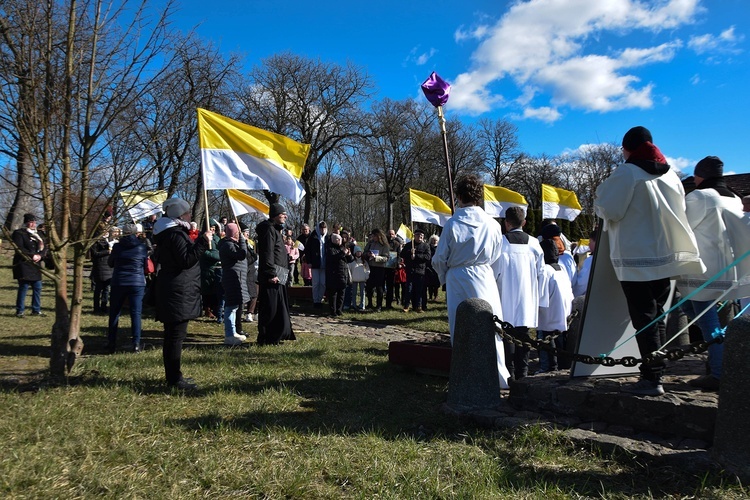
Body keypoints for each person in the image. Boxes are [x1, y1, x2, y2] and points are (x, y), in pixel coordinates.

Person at [594, 126, 704, 396]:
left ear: (627, 149)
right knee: (657, 316)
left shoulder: (627, 173)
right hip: (664, 255)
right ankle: (657, 372)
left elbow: (611, 209)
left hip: (635, 257)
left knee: (643, 318)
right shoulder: (672, 177)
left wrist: (599, 200)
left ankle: (652, 378)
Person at [676, 156, 750, 391]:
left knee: (707, 322)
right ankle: (722, 360)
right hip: (729, 268)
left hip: (704, 269)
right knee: (706, 315)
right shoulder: (734, 198)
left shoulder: (699, 196)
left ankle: (718, 373)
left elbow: (683, 227)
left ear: (700, 176)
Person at [432, 174, 510, 388]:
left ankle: (465, 376)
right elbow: (497, 256)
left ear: (458, 196)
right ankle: (498, 375)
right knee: (490, 326)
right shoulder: (493, 224)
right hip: (485, 277)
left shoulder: (452, 224)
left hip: (458, 277)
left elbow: (440, 258)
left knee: (461, 327)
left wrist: (444, 276)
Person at [152, 197, 211, 391]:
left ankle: (174, 375)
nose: (190, 216)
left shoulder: (171, 233)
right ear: (179, 215)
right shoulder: (175, 235)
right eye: (186, 213)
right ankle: (174, 379)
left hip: (177, 290)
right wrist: (203, 242)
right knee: (175, 337)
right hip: (177, 291)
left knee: (174, 336)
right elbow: (186, 260)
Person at [497, 206, 546, 381]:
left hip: (505, 297)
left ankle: (509, 373)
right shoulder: (534, 243)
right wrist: (541, 299)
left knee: (507, 337)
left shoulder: (500, 242)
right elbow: (542, 273)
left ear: (506, 223)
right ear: (524, 222)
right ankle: (522, 373)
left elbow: (494, 272)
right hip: (527, 297)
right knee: (523, 336)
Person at [256, 203, 295, 345]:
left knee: (278, 307)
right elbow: (267, 253)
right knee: (270, 308)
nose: (285, 216)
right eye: (282, 213)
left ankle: (276, 336)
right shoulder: (268, 229)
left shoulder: (275, 229)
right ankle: (267, 337)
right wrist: (271, 273)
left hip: (280, 273)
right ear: (275, 215)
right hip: (272, 275)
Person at [107, 223, 149, 353]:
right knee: (135, 313)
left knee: (114, 313)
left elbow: (110, 263)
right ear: (136, 233)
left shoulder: (117, 247)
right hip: (137, 282)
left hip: (119, 281)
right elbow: (145, 264)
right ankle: (136, 343)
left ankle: (111, 343)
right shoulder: (141, 247)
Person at [536, 239, 574, 373]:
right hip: (564, 309)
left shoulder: (545, 270)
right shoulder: (561, 269)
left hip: (550, 311)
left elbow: (540, 293)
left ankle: (550, 367)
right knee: (559, 338)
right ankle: (561, 364)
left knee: (546, 337)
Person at [218, 222, 250, 346]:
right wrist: (242, 241)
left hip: (237, 278)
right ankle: (229, 335)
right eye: (238, 232)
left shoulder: (232, 244)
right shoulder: (228, 245)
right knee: (230, 308)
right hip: (231, 279)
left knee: (234, 307)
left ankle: (233, 332)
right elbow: (241, 255)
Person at [12, 213, 47, 317]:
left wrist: (40, 255)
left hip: (36, 265)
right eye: (31, 222)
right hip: (24, 264)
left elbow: (45, 247)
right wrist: (32, 255)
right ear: (26, 223)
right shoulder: (19, 233)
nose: (33, 224)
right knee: (24, 287)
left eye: (34, 222)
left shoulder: (38, 235)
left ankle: (36, 309)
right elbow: (19, 248)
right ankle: (20, 310)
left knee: (37, 287)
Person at [401, 228, 431, 312]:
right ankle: (406, 305)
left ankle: (418, 306)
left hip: (420, 271)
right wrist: (409, 252)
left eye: (421, 235)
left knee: (419, 289)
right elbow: (402, 254)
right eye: (418, 235)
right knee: (409, 289)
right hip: (410, 270)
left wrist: (416, 256)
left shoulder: (426, 246)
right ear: (414, 236)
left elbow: (428, 257)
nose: (420, 237)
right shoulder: (409, 245)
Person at [325, 233, 353, 316]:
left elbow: (350, 260)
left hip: (343, 273)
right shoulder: (330, 248)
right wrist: (342, 253)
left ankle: (339, 310)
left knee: (342, 293)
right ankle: (333, 311)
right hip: (333, 274)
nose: (340, 240)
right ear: (333, 240)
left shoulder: (343, 247)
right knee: (333, 294)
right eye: (338, 239)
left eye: (340, 239)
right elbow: (332, 258)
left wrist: (349, 255)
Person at [363, 228, 390, 311]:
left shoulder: (385, 245)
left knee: (379, 287)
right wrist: (367, 254)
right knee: (369, 286)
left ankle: (379, 305)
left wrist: (376, 257)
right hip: (370, 267)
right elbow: (364, 252)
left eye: (375, 235)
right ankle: (369, 303)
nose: (373, 237)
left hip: (380, 268)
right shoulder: (370, 243)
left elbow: (386, 258)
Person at [89, 229, 114, 314]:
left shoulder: (110, 240)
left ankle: (104, 306)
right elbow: (95, 254)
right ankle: (96, 308)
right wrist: (108, 251)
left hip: (108, 267)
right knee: (98, 289)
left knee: (106, 289)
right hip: (99, 266)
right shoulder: (95, 242)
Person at [306, 221, 329, 307]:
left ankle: (320, 299)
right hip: (315, 264)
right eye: (321, 228)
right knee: (316, 283)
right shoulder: (313, 237)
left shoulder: (327, 238)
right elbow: (308, 250)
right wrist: (309, 261)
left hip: (324, 264)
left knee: (323, 283)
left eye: (324, 228)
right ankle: (315, 300)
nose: (322, 230)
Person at [572, 230, 597, 297]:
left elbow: (582, 283)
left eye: (590, 241)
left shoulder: (591, 260)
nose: (588, 244)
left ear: (596, 242)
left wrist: (574, 294)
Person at [385, 229, 404, 309]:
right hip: (383, 267)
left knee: (390, 287)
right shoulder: (383, 243)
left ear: (395, 235)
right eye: (389, 234)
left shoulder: (397, 244)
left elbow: (400, 255)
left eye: (392, 234)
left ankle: (389, 304)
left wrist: (397, 263)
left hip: (392, 268)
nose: (390, 235)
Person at [243, 227, 259, 322]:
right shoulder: (243, 243)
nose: (248, 234)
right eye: (246, 232)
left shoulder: (251, 243)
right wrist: (254, 257)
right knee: (252, 293)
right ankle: (249, 312)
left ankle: (256, 312)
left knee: (257, 293)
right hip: (249, 271)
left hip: (257, 271)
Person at [347, 246, 369, 310]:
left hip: (362, 279)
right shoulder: (352, 261)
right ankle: (354, 304)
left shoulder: (364, 262)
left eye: (360, 252)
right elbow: (349, 270)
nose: (359, 253)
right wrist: (350, 278)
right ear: (355, 253)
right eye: (357, 252)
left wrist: (366, 277)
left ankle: (362, 305)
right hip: (354, 279)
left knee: (362, 293)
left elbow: (367, 270)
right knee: (354, 293)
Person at [425, 234, 441, 302]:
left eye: (436, 240)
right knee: (430, 283)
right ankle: (430, 296)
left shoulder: (439, 248)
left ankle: (436, 296)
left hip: (437, 267)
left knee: (436, 283)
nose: (434, 241)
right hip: (429, 267)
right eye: (433, 240)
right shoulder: (428, 247)